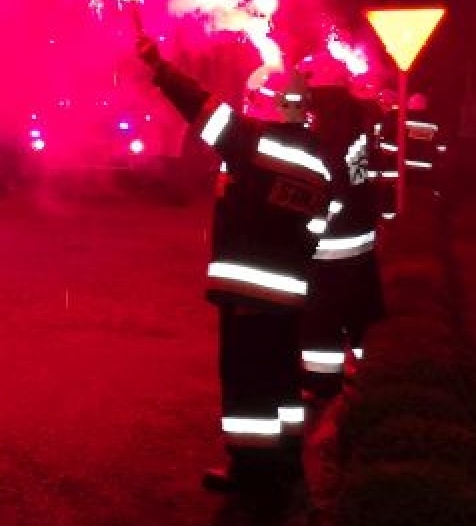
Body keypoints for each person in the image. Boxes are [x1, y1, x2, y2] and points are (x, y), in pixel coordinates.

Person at [138, 36, 332, 492]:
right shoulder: (317, 162)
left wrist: (159, 67)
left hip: (250, 294)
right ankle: (285, 463)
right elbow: (315, 232)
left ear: (268, 104)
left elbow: (201, 108)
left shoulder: (257, 146)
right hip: (288, 294)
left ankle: (251, 473)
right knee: (280, 380)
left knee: (248, 385)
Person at [298, 51, 386, 396]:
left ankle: (323, 385)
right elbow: (358, 176)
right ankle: (373, 374)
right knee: (362, 309)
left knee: (322, 317)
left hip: (331, 245)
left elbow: (330, 186)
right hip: (361, 236)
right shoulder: (356, 118)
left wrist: (307, 234)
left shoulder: (330, 126)